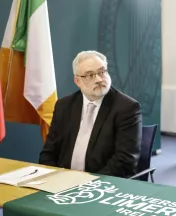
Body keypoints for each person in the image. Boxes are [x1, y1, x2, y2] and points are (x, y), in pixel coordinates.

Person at [39, 50, 142, 178]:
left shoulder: (127, 108)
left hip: (103, 184)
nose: (99, 79)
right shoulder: (64, 106)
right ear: (77, 81)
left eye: (102, 72)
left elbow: (124, 161)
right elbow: (49, 153)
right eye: (90, 75)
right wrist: (53, 177)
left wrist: (88, 183)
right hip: (63, 181)